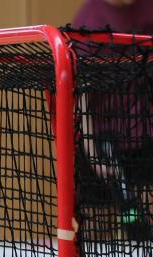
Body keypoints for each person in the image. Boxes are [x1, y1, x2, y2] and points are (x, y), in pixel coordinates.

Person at [73, 0, 153, 238]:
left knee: (142, 222)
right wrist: (91, 149)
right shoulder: (90, 18)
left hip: (142, 133)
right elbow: (82, 92)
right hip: (98, 134)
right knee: (96, 226)